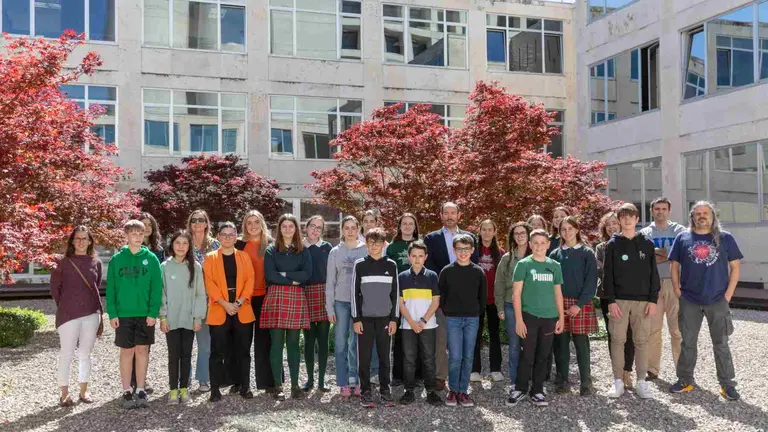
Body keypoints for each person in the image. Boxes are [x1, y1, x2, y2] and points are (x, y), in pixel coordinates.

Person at [668, 201, 743, 401]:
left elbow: (735, 267)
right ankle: (685, 380)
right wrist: (677, 290)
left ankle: (727, 384)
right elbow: (674, 265)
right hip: (689, 299)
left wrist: (727, 296)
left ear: (713, 216)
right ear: (692, 217)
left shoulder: (726, 238)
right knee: (688, 343)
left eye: (705, 213)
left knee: (721, 344)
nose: (702, 216)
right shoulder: (682, 238)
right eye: (698, 213)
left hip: (717, 299)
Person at [603, 203, 659, 400]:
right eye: (623, 216)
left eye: (631, 216)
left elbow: (654, 275)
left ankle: (641, 382)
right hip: (619, 301)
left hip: (643, 301)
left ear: (637, 219)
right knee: (618, 340)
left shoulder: (647, 244)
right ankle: (618, 381)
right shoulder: (613, 244)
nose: (627, 220)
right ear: (619, 220)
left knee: (642, 341)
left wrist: (653, 300)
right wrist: (610, 301)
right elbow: (607, 275)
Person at [106, 219, 163, 409]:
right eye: (134, 233)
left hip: (145, 314)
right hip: (123, 315)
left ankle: (140, 389)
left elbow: (157, 288)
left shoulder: (152, 259)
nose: (137, 236)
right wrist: (112, 314)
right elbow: (111, 289)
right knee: (126, 351)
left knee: (142, 350)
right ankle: (126, 391)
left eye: (141, 233)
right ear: (127, 235)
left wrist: (153, 312)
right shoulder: (117, 259)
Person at [423, 201, 479, 391]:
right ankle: (440, 376)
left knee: (464, 344)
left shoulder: (470, 237)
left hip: (464, 300)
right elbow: (429, 268)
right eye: (445, 212)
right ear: (441, 215)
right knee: (441, 338)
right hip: (440, 297)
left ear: (459, 215)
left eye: (452, 212)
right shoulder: (430, 239)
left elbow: (475, 267)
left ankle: (462, 380)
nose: (449, 216)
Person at [506, 229, 565, 407]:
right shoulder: (523, 264)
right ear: (530, 245)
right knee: (527, 355)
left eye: (542, 243)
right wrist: (519, 320)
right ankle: (520, 388)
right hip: (529, 316)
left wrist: (561, 318)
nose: (539, 246)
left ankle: (537, 390)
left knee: (543, 355)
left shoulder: (555, 265)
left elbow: (558, 294)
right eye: (535, 243)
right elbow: (516, 294)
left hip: (549, 317)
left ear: (548, 245)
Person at [50, 226, 104, 407]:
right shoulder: (62, 262)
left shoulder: (96, 263)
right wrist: (67, 304)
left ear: (90, 242)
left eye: (84, 238)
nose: (81, 241)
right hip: (68, 315)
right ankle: (64, 393)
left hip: (91, 314)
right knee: (66, 354)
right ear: (72, 241)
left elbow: (95, 286)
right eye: (77, 238)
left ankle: (83, 391)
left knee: (85, 354)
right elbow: (54, 289)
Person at [262, 214, 312, 400]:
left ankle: (295, 385)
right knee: (276, 344)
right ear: (279, 229)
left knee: (293, 343)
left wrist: (283, 274)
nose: (288, 229)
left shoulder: (303, 251)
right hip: (276, 297)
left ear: (296, 229)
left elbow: (307, 274)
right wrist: (292, 279)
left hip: (296, 299)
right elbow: (270, 275)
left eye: (291, 226)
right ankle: (278, 385)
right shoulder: (271, 250)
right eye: (284, 226)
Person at [203, 222, 255, 402]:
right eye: (224, 234)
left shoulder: (244, 257)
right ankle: (215, 389)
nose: (227, 237)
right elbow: (209, 283)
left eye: (231, 234)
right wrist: (225, 304)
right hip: (219, 308)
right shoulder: (210, 258)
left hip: (242, 308)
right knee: (217, 352)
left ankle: (244, 386)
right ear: (218, 236)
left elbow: (250, 280)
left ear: (236, 237)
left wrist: (239, 302)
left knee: (243, 351)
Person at [549, 216, 598, 396]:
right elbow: (551, 282)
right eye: (563, 229)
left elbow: (591, 282)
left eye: (570, 228)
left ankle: (585, 382)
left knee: (581, 345)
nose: (567, 232)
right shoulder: (555, 254)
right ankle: (562, 381)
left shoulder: (586, 252)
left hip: (580, 304)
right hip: (560, 304)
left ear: (577, 230)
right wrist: (556, 304)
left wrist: (578, 304)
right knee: (560, 345)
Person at [639, 197, 686, 381]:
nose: (660, 211)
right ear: (652, 211)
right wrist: (667, 256)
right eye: (657, 208)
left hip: (676, 283)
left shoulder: (680, 231)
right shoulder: (644, 233)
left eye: (663, 208)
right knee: (653, 329)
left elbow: (681, 256)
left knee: (677, 330)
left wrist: (662, 255)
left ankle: (682, 371)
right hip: (653, 284)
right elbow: (644, 259)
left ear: (669, 210)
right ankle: (652, 369)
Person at [352, 227, 399, 408]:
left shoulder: (391, 265)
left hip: (385, 320)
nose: (374, 247)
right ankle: (365, 391)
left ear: (383, 244)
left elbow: (396, 294)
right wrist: (356, 319)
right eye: (370, 243)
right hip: (365, 320)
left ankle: (385, 391)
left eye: (378, 243)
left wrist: (394, 319)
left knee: (384, 358)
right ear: (366, 244)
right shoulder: (360, 265)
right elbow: (354, 293)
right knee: (363, 358)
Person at [159, 230, 206, 405]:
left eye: (184, 243)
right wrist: (162, 317)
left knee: (186, 355)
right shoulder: (164, 267)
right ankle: (173, 390)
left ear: (189, 246)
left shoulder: (195, 267)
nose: (181, 246)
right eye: (177, 243)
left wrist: (197, 317)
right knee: (173, 355)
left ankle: (184, 389)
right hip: (171, 319)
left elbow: (200, 294)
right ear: (172, 245)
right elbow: (161, 293)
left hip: (189, 319)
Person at [235, 210, 279, 395]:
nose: (252, 226)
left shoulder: (271, 245)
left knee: (264, 342)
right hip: (244, 299)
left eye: (256, 222)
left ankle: (269, 383)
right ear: (244, 225)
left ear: (262, 223)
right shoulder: (238, 244)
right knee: (241, 342)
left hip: (265, 297)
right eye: (248, 222)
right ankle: (240, 383)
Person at [440, 234, 486, 408]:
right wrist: (449, 311)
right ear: (454, 250)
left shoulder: (478, 271)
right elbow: (441, 294)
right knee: (455, 356)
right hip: (453, 318)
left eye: (466, 249)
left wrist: (475, 312)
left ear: (472, 250)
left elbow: (482, 297)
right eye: (459, 249)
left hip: (472, 318)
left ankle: (463, 390)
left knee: (468, 356)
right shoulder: (447, 271)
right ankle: (452, 390)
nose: (463, 252)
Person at [326, 216, 368, 397]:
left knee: (356, 343)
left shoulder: (366, 249)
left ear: (358, 229)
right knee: (341, 343)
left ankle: (355, 380)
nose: (350, 231)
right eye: (347, 228)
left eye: (353, 228)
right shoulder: (335, 252)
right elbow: (330, 281)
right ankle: (342, 382)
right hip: (341, 302)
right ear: (342, 230)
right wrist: (329, 308)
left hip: (359, 303)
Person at [397, 240, 442, 406]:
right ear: (409, 257)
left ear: (426, 257)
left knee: (429, 358)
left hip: (428, 325)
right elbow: (400, 303)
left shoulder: (432, 276)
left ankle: (431, 391)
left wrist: (422, 320)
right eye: (414, 256)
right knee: (409, 359)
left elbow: (435, 301)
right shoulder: (402, 277)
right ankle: (408, 390)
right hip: (408, 325)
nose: (417, 259)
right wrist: (411, 322)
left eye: (420, 256)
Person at [595, 211, 636, 390]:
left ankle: (628, 371)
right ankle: (617, 374)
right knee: (613, 335)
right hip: (608, 296)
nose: (612, 226)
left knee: (630, 334)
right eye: (608, 224)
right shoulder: (601, 248)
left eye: (615, 223)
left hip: (630, 296)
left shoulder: (633, 243)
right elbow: (601, 270)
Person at [495, 222, 532, 392]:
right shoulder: (507, 258)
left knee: (531, 344)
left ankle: (531, 380)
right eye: (516, 233)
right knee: (515, 344)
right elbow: (500, 284)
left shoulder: (537, 256)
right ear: (512, 237)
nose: (520, 236)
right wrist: (500, 307)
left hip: (532, 307)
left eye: (523, 232)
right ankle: (515, 381)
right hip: (510, 306)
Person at [187, 209, 220, 393]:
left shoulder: (215, 245)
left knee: (205, 344)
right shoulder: (183, 243)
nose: (197, 223)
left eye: (201, 220)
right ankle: (185, 380)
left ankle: (203, 379)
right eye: (194, 220)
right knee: (184, 344)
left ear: (207, 223)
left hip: (208, 301)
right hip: (186, 301)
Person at [386, 213, 421, 387]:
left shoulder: (420, 245)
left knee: (418, 332)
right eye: (404, 224)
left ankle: (418, 374)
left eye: (410, 223)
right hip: (398, 294)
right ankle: (398, 375)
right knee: (399, 335)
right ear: (399, 226)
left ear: (415, 227)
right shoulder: (392, 247)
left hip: (418, 295)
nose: (407, 226)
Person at [132, 212, 163, 394]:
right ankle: (131, 380)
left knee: (145, 344)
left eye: (149, 225)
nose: (146, 228)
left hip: (150, 302)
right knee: (131, 344)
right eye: (142, 225)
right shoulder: (128, 250)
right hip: (133, 301)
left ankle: (141, 379)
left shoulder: (158, 250)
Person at [471, 219, 504, 383]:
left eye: (490, 229)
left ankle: (495, 369)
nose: (486, 232)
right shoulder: (473, 251)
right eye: (484, 229)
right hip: (477, 300)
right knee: (475, 334)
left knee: (494, 334)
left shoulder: (500, 252)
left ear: (494, 232)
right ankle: (474, 369)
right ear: (480, 231)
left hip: (494, 300)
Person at [302, 215, 333, 392]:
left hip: (323, 294)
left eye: (319, 228)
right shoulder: (300, 246)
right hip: (304, 294)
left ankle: (322, 381)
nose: (315, 230)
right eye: (312, 226)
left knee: (322, 340)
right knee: (308, 340)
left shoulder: (327, 247)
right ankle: (310, 380)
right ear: (306, 227)